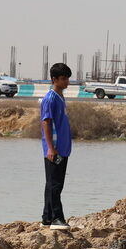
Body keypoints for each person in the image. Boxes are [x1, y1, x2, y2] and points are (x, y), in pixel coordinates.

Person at [41, 63, 73, 230]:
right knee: (55, 184)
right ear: (54, 79)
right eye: (63, 78)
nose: (67, 81)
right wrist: (50, 148)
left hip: (63, 147)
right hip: (55, 149)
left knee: (53, 183)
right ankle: (56, 218)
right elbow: (46, 122)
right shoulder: (50, 98)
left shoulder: (60, 97)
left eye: (67, 78)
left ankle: (47, 216)